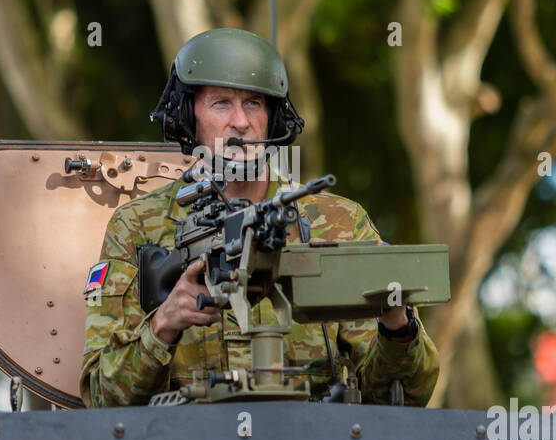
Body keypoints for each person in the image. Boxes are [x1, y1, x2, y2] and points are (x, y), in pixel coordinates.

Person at [80, 27, 440, 407]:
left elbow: (406, 397)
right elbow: (101, 397)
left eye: (253, 103)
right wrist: (164, 324)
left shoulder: (339, 222)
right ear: (189, 116)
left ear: (272, 117)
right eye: (221, 103)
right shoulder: (136, 227)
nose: (241, 121)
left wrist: (397, 325)